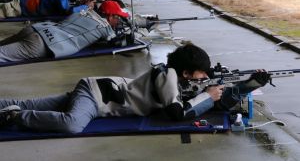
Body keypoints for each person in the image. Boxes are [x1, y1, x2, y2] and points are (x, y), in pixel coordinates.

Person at [0, 43, 269, 133]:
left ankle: (10, 107)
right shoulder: (167, 76)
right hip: (97, 98)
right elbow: (178, 113)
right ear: (187, 72)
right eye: (202, 74)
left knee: (32, 103)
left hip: (96, 90)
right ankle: (11, 116)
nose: (205, 78)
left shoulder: (182, 81)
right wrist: (207, 96)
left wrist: (251, 84)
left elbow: (218, 101)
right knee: (72, 124)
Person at [0, 0, 129, 62]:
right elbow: (119, 42)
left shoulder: (84, 11)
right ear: (110, 16)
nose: (119, 22)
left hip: (37, 28)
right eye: (118, 18)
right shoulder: (104, 27)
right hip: (45, 43)